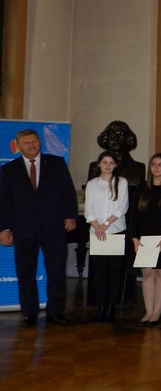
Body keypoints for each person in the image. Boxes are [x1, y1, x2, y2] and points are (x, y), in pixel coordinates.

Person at [0, 129, 78, 326]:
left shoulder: (57, 163)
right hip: (23, 228)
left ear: (39, 142)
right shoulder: (9, 169)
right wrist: (4, 229)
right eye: (26, 143)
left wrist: (70, 216)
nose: (32, 145)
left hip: (54, 227)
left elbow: (68, 192)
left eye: (34, 141)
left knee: (57, 270)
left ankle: (55, 312)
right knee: (25, 271)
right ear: (18, 146)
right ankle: (29, 312)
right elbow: (4, 202)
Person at [130, 153, 161, 327]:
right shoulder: (141, 188)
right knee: (147, 273)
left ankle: (157, 311)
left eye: (160, 165)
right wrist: (134, 237)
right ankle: (148, 311)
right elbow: (133, 215)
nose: (156, 168)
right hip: (144, 239)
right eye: (153, 164)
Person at [85, 151, 129, 322]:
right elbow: (89, 209)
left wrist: (105, 225)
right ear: (99, 164)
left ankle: (111, 306)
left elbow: (122, 207)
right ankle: (101, 305)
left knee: (114, 271)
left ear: (115, 165)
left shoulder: (122, 182)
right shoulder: (92, 184)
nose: (108, 165)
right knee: (99, 272)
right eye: (104, 162)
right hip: (97, 233)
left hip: (115, 231)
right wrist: (97, 226)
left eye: (111, 162)